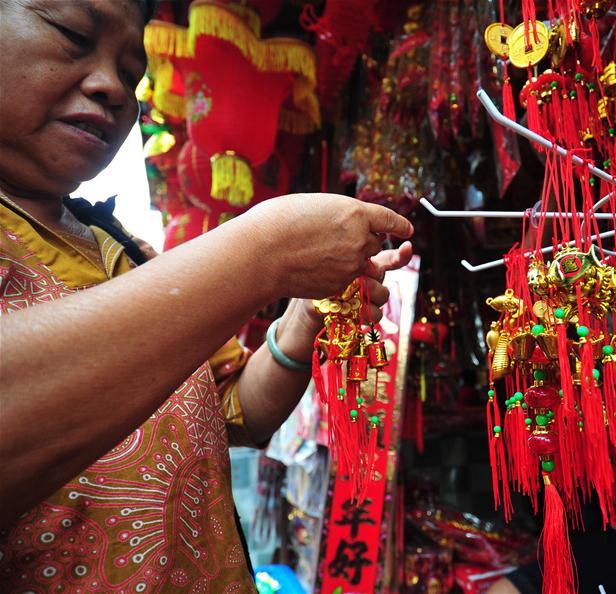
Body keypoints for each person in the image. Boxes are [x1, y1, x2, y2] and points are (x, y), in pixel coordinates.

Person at [0, 0, 414, 590]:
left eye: (130, 72)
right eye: (72, 35)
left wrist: (306, 312)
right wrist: (264, 253)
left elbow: (236, 411)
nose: (110, 88)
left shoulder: (127, 249)